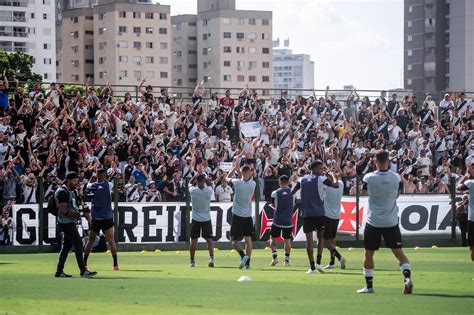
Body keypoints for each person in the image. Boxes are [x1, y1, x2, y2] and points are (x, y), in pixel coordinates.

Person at [358, 150, 412, 294]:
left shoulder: (368, 177)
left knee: (368, 254)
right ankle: (407, 278)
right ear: (388, 160)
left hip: (373, 221)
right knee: (399, 253)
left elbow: (363, 193)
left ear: (375, 161)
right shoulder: (395, 177)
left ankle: (369, 286)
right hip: (391, 221)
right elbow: (397, 195)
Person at [291, 160, 339, 274]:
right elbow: (336, 185)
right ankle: (318, 263)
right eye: (321, 168)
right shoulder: (321, 179)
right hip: (319, 214)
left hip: (307, 214)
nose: (322, 170)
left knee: (309, 242)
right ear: (316, 168)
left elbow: (293, 192)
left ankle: (312, 267)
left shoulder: (302, 179)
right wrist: (333, 176)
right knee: (320, 238)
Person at [55, 172, 97, 278]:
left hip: (71, 222)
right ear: (69, 180)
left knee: (66, 246)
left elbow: (80, 204)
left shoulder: (73, 191)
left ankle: (59, 271)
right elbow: (63, 210)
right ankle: (83, 270)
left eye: (77, 181)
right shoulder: (62, 192)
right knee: (78, 243)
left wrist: (86, 215)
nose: (77, 183)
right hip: (65, 222)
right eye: (75, 181)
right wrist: (79, 214)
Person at [83, 168, 119, 270]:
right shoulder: (109, 185)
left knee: (91, 240)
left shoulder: (93, 185)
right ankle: (115, 264)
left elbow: (88, 186)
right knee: (111, 241)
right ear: (104, 176)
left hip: (96, 217)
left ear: (97, 175)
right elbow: (109, 183)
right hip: (107, 216)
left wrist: (93, 176)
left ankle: (84, 262)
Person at [227, 157, 256, 269]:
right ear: (249, 172)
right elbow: (251, 175)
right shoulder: (253, 184)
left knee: (233, 241)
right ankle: (247, 264)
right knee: (248, 241)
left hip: (238, 216)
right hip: (247, 216)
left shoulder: (237, 182)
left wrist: (235, 168)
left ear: (241, 173)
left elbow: (227, 177)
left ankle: (242, 255)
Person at [189, 174, 215, 267]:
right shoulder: (208, 191)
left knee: (193, 241)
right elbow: (210, 185)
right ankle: (211, 258)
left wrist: (196, 176)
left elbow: (189, 183)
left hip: (195, 219)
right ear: (203, 181)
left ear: (197, 181)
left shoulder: (193, 191)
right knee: (209, 240)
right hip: (206, 219)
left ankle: (192, 261)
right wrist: (205, 178)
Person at [322, 172, 347, 269]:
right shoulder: (341, 184)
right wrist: (333, 174)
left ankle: (340, 257)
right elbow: (338, 178)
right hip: (336, 216)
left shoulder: (327, 188)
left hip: (327, 215)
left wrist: (330, 175)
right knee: (332, 239)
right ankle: (332, 263)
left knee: (325, 240)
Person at [269, 175, 293, 267]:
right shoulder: (292, 192)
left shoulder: (275, 193)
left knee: (273, 238)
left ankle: (274, 257)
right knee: (287, 240)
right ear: (288, 182)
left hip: (277, 220)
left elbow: (273, 205)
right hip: (288, 220)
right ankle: (286, 261)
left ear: (279, 182)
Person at [456, 164, 474, 261]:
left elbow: (458, 187)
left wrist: (465, 177)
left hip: (472, 219)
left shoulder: (470, 182)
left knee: (472, 247)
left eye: (469, 169)